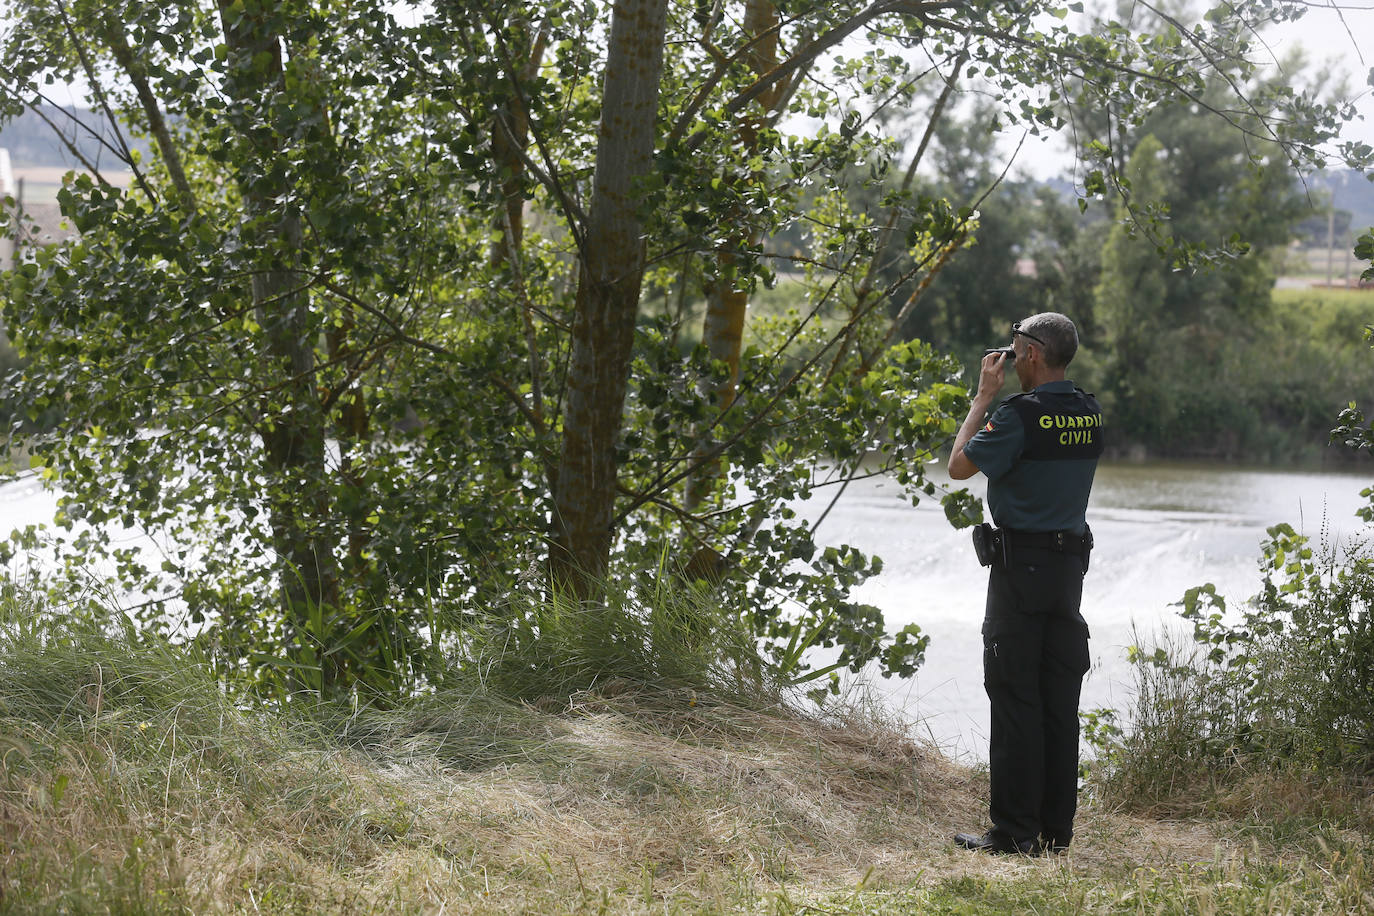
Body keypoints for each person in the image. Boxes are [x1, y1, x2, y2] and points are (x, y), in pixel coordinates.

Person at [947, 312, 1103, 856]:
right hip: (1068, 574)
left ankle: (1014, 832)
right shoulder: (1089, 411)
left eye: (1014, 352)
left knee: (1015, 696)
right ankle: (1056, 831)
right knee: (1059, 700)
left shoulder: (1018, 415)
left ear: (1033, 355)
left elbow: (959, 467)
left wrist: (981, 398)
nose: (1009, 362)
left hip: (1020, 571)